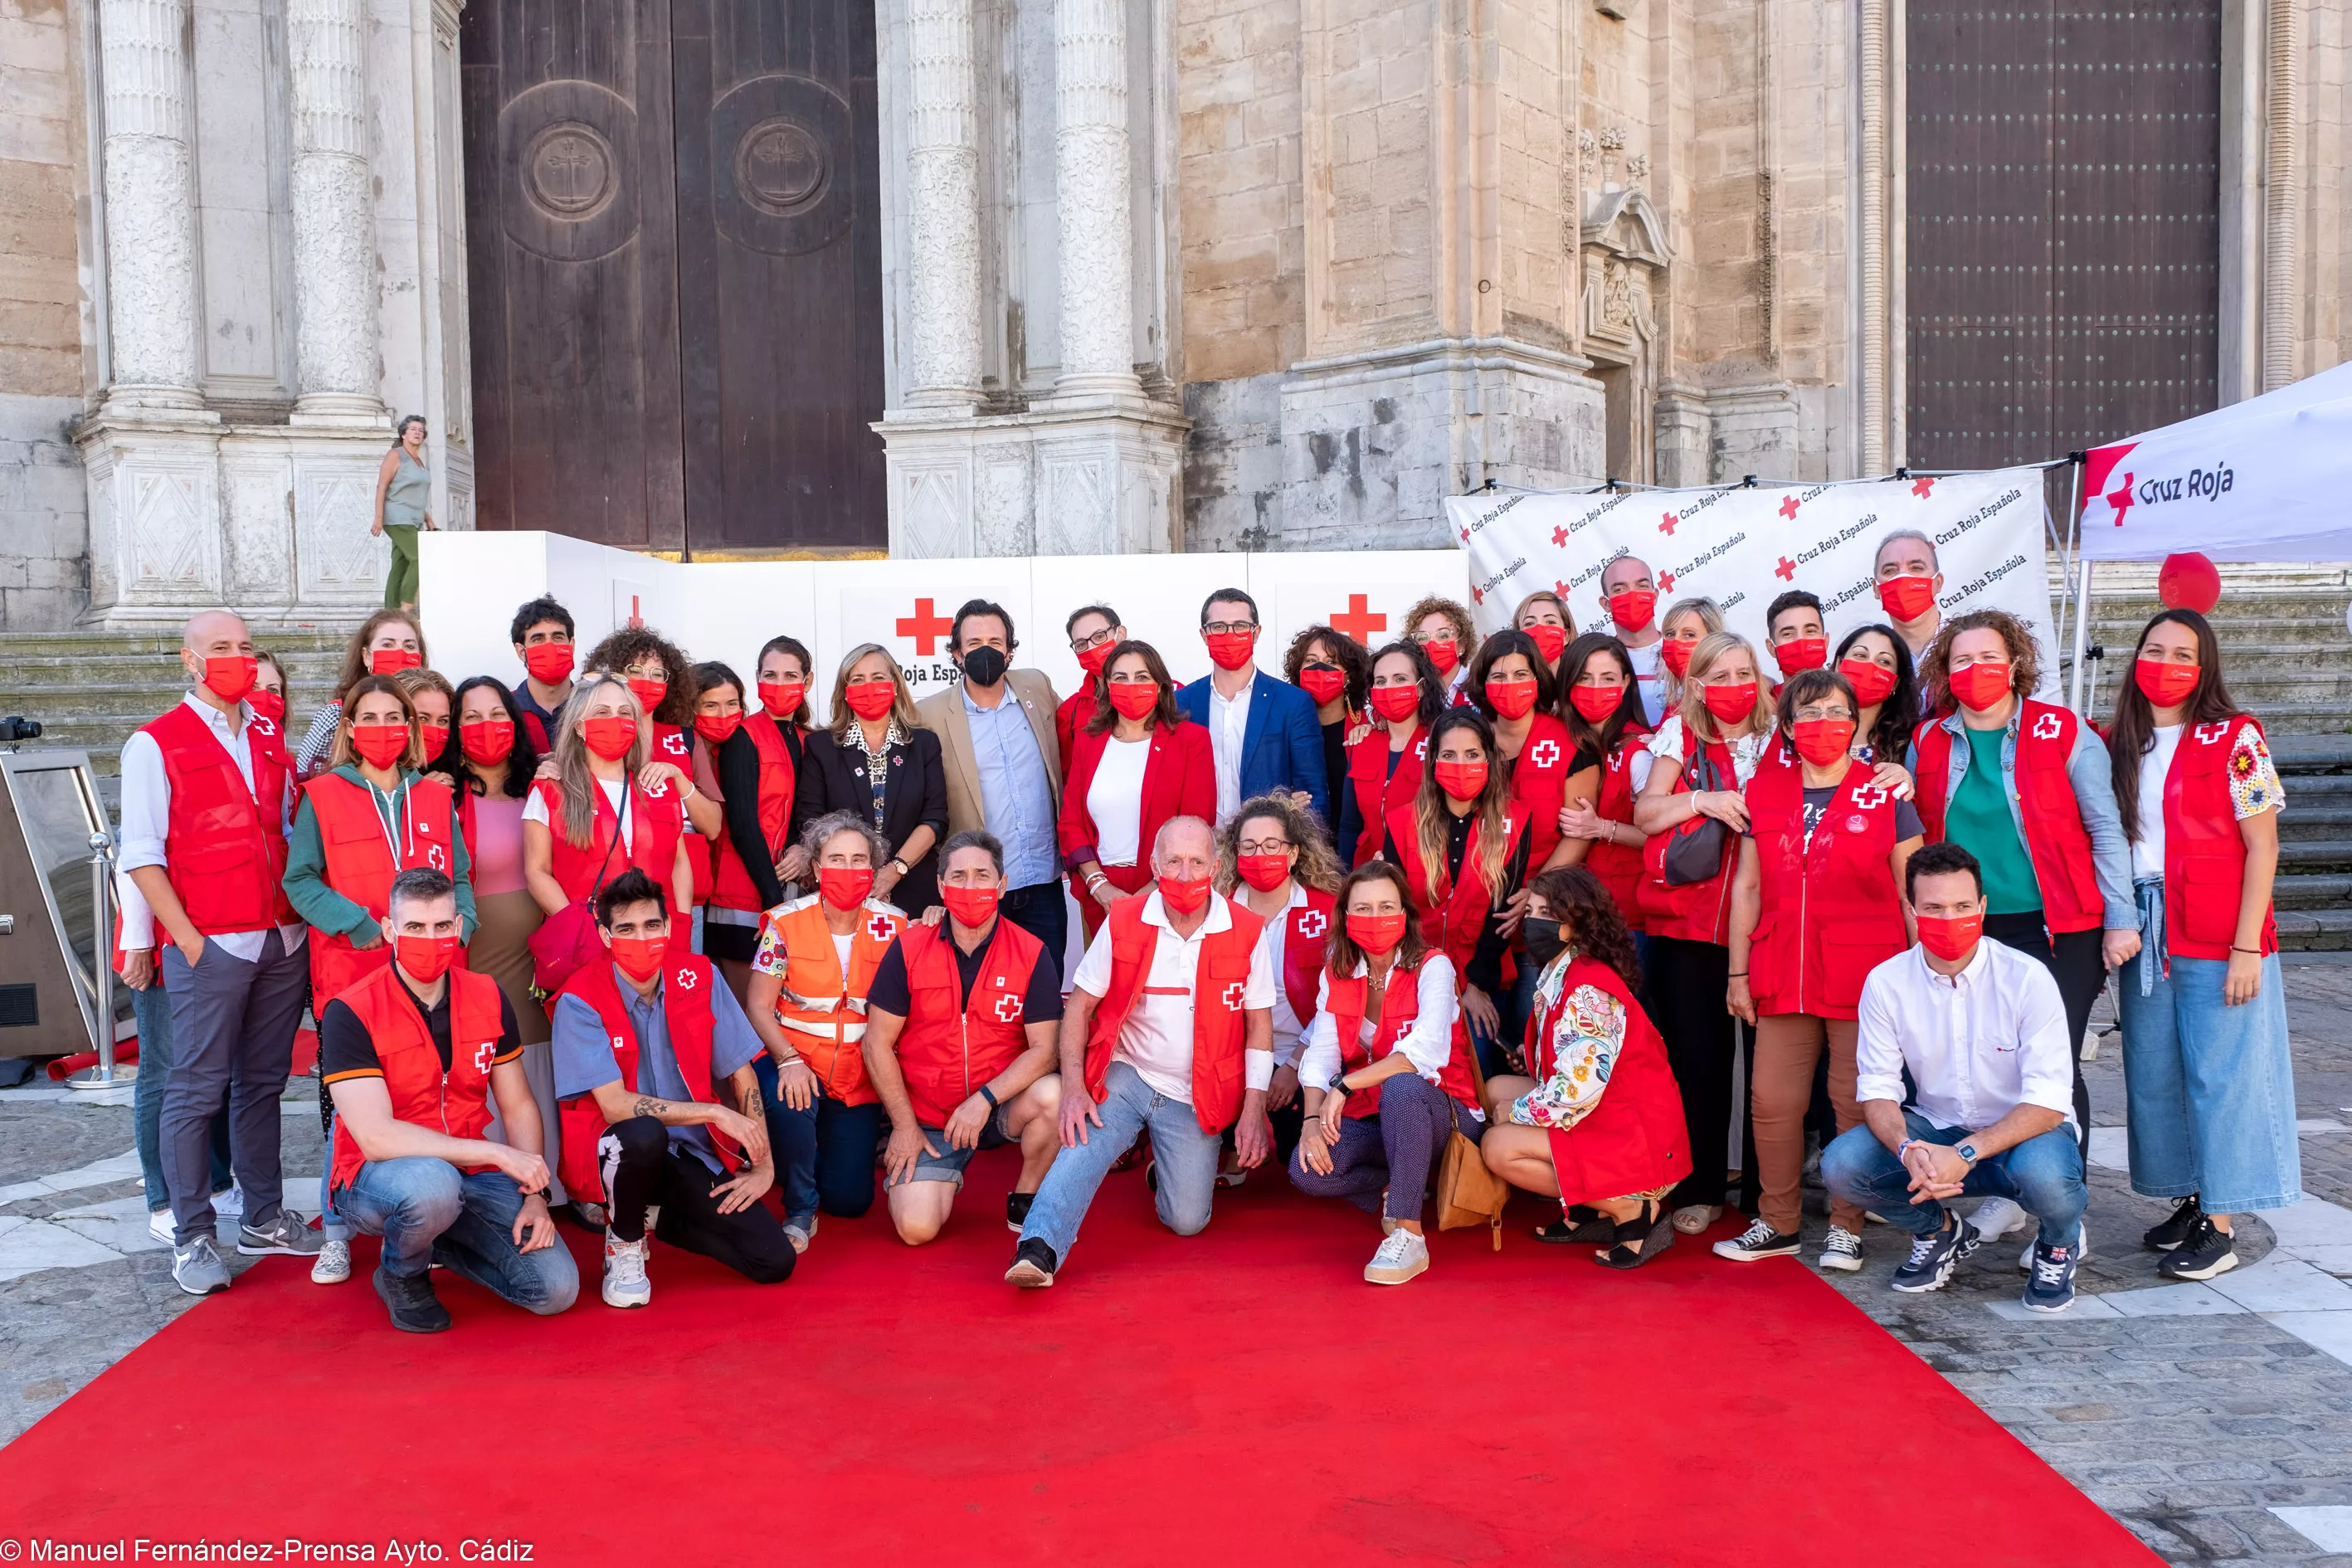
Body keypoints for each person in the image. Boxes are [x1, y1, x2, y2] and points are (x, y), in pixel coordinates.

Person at [120, 611, 321, 1295]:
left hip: (281, 936)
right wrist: (182, 938)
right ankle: (194, 1235)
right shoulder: (154, 743)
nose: (235, 659)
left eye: (244, 647)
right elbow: (142, 854)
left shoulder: (268, 737)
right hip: (212, 942)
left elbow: (290, 826)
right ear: (190, 660)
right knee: (196, 1087)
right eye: (221, 649)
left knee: (262, 1085)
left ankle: (263, 1217)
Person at [1913, 608, 2135, 1220]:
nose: (1975, 669)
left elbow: (2104, 829)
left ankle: (2064, 1212)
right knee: (1981, 1065)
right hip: (1964, 931)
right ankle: (2006, 1194)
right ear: (1944, 669)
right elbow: (1910, 834)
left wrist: (2121, 917)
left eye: (1988, 657)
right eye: (1961, 659)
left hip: (2055, 927)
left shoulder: (2063, 732)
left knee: (2050, 1066)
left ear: (2014, 663)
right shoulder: (1927, 739)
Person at [2109, 607, 2297, 1282]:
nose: (2166, 664)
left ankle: (2221, 1227)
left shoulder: (2235, 736)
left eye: (2182, 654)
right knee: (2156, 1074)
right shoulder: (2116, 742)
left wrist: (2247, 946)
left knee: (2221, 1076)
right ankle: (2191, 1198)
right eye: (2153, 650)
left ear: (2204, 665)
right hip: (2145, 926)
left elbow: (2263, 845)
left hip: (2218, 930)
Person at [1819, 843, 2089, 1312]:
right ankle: (1940, 1231)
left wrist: (1965, 1153)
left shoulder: (2027, 978)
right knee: (1842, 1166)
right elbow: (1879, 1089)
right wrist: (1908, 1150)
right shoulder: (1886, 982)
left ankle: (2060, 1243)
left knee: (2047, 1177)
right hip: (1936, 1124)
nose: (1950, 919)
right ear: (1912, 910)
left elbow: (2049, 1100)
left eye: (1963, 907)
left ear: (1983, 907)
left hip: (2027, 1132)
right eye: (1934, 908)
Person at [1006, 817, 1275, 1286]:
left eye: (1196, 862)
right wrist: (1073, 1088)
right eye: (1173, 861)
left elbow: (1258, 1027)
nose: (1186, 875)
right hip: (1128, 1074)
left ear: (1215, 866)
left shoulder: (1247, 930)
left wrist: (1253, 1108)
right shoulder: (1127, 918)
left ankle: (1165, 1168)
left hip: (1199, 1091)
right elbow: (1080, 1007)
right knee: (1082, 1140)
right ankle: (1039, 1246)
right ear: (1154, 864)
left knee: (1188, 1220)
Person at [1718, 666, 1923, 1269]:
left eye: (1836, 711)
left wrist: (1922, 976)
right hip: (1781, 968)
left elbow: (1912, 891)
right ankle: (1776, 1222)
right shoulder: (1765, 790)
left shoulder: (1884, 791)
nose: (1822, 724)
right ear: (1785, 726)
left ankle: (1846, 1225)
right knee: (1771, 1102)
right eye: (1807, 713)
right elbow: (1748, 887)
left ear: (1855, 719)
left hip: (1866, 977)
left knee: (1853, 1104)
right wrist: (1737, 974)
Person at [280, 672, 477, 1283]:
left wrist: (461, 929)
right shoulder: (323, 795)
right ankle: (336, 1229)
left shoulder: (434, 798)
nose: (383, 729)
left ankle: (437, 1221)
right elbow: (300, 880)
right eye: (370, 718)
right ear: (349, 729)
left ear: (412, 729)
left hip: (433, 975)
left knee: (430, 1092)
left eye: (395, 717)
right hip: (353, 973)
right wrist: (356, 923)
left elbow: (462, 880)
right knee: (350, 1106)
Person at [320, 869, 577, 1330]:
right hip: (375, 1177)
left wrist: (536, 1195)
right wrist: (496, 1152)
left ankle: (438, 1237)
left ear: (459, 928)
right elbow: (376, 1139)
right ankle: (402, 1274)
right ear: (389, 930)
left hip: (469, 1174)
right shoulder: (351, 1010)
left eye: (441, 926)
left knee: (553, 1290)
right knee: (431, 1186)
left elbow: (518, 1104)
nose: (429, 938)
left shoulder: (487, 995)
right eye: (415, 927)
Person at [553, 869, 791, 1304]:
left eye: (651, 925)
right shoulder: (579, 999)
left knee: (773, 1261)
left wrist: (763, 1166)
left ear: (667, 927)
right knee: (642, 1133)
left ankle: (654, 1218)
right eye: (626, 928)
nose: (642, 938)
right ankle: (623, 1242)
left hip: (688, 1152)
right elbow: (615, 1106)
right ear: (605, 936)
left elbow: (742, 1074)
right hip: (617, 1152)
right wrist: (715, 1112)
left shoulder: (699, 975)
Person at [1632, 629, 1775, 1234]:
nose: (1733, 686)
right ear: (1695, 684)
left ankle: (1770, 1193)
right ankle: (1703, 1186)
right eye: (1719, 676)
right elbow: (1644, 813)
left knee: (1768, 1068)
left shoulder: (1782, 736)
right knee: (1698, 1063)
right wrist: (1702, 800)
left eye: (1743, 673)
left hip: (1768, 922)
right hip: (1686, 927)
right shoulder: (1677, 735)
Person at [1480, 866, 1691, 1268]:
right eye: (1532, 911)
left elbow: (1575, 1093)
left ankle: (1630, 1208)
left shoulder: (1589, 987)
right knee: (1496, 1088)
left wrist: (1518, 1114)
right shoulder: (1567, 967)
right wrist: (1535, 1057)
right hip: (1611, 1114)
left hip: (1635, 1137)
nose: (1532, 922)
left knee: (1499, 1147)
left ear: (1575, 923)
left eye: (1546, 913)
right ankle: (1591, 1209)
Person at [864, 830, 1065, 1244]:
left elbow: (1046, 1051)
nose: (970, 887)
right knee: (915, 1229)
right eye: (958, 877)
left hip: (1000, 1104)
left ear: (1002, 884)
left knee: (1054, 1094)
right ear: (941, 886)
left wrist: (983, 1100)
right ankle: (944, 1170)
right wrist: (903, 1125)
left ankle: (1027, 1194)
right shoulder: (908, 947)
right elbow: (876, 1043)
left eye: (982, 875)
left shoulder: (1031, 952)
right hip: (931, 1116)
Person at [1292, 861, 1483, 1283]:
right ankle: (1404, 1178)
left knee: (1402, 1086)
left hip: (1446, 1113)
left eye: (1386, 907)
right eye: (1362, 908)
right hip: (1378, 1114)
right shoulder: (1338, 973)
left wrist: (1346, 1085)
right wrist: (1309, 1121)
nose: (1374, 919)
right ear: (1344, 916)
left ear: (1405, 915)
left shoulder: (1434, 966)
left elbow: (1424, 1055)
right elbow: (1322, 1055)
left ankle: (1407, 1230)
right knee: (1307, 1169)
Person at [743, 811, 910, 1244]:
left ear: (873, 869)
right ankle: (799, 1208)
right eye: (837, 859)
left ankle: (793, 1157)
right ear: (817, 869)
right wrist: (788, 1061)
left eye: (859, 860)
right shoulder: (783, 922)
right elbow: (758, 1006)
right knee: (791, 1103)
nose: (848, 870)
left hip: (858, 1077)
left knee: (850, 1201)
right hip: (795, 1063)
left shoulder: (896, 927)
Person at [446, 675, 563, 1215]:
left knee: (537, 1060)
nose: (485, 725)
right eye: (470, 716)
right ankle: (489, 1188)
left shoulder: (542, 786)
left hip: (540, 955)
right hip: (474, 955)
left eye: (496, 713)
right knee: (482, 1053)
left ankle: (550, 1183)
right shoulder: (440, 792)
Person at [916, 600, 1069, 966]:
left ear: (1010, 651)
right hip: (977, 888)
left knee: (1045, 991)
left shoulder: (1037, 688)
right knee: (985, 997)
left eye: (995, 642)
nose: (986, 650)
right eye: (974, 643)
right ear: (956, 653)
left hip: (1044, 880)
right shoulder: (930, 714)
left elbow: (1081, 732)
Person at [1382, 709, 1531, 1079]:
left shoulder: (1516, 820)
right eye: (1449, 755)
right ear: (1433, 761)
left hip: (1481, 973)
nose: (1460, 764)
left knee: (1474, 1064)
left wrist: (1472, 985)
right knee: (1414, 1074)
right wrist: (1442, 983)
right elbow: (1398, 912)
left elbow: (1504, 911)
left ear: (1489, 759)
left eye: (1472, 754)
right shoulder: (1402, 822)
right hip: (1414, 973)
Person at [522, 673, 695, 957]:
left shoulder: (658, 787)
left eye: (624, 713)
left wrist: (682, 921)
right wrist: (581, 928)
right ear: (579, 727)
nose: (615, 720)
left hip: (659, 940)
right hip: (587, 943)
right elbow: (537, 872)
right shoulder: (550, 790)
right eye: (602, 712)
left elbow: (679, 862)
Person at [1466, 628, 1577, 1052]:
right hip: (1476, 915)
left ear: (1538, 678)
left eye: (1520, 674)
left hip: (1542, 912)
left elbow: (1578, 833)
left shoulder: (1569, 739)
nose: (1509, 686)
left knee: (1535, 1040)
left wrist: (1535, 890)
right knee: (1482, 1045)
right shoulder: (1469, 738)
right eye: (1497, 676)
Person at [1059, 640, 1215, 941]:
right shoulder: (1088, 741)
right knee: (1106, 984)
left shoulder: (1190, 740)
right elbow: (1071, 822)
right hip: (1100, 894)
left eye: (1142, 677)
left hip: (1168, 890)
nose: (1131, 686)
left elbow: (1196, 824)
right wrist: (1100, 887)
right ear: (1106, 686)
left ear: (1159, 686)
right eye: (1121, 678)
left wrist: (1151, 892)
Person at [1220, 794, 1342, 1162]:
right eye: (1249, 847)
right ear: (1236, 853)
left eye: (1271, 846)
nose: (1260, 856)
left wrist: (1293, 1066)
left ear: (1292, 853)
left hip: (1303, 1057)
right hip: (1233, 1058)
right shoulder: (1217, 910)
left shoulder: (1327, 910)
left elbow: (1336, 1003)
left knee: (1302, 1165)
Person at [799, 643, 951, 916]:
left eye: (878, 678)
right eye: (857, 680)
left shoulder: (924, 744)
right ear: (844, 693)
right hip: (842, 894)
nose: (868, 686)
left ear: (894, 685)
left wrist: (895, 870)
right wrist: (857, 873)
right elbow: (812, 821)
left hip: (914, 887)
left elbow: (935, 818)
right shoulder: (821, 747)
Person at [586, 626, 725, 924]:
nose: (646, 682)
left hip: (682, 894)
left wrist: (680, 779)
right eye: (635, 670)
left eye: (657, 674)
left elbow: (713, 826)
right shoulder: (596, 739)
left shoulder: (686, 740)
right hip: (614, 895)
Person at [1175, 587, 1327, 827]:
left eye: (1240, 626)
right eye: (1219, 627)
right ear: (1205, 635)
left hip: (1265, 851)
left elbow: (1313, 798)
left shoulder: (1293, 703)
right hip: (1200, 850)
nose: (1230, 634)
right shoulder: (1181, 703)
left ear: (1256, 633)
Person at [690, 660, 795, 999]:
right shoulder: (679, 748)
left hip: (732, 888)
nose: (723, 714)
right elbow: (741, 826)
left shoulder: (736, 743)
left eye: (731, 704)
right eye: (711, 705)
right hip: (717, 895)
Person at [1552, 633, 1655, 942]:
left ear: (1625, 684)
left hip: (1625, 917)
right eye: (1585, 678)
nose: (1596, 689)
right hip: (1571, 909)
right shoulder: (1560, 741)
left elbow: (1662, 837)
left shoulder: (1639, 753)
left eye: (1607, 678)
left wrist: (1602, 828)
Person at [1337, 640, 1444, 867]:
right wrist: (1344, 882)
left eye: (1400, 679)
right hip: (1367, 876)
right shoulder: (1362, 742)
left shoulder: (1442, 743)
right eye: (1381, 681)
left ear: (1421, 687)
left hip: (1426, 875)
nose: (1390, 688)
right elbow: (1349, 825)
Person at [295, 609, 426, 776]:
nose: (400, 653)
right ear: (366, 656)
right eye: (388, 645)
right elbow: (307, 775)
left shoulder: (432, 712)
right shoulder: (337, 715)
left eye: (409, 646)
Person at [1283, 624, 1371, 825]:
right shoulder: (1283, 728)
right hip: (1305, 841)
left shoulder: (1368, 726)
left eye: (1331, 662)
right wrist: (1284, 800)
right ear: (1299, 672)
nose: (1320, 668)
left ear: (1349, 675)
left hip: (1356, 845)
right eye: (1311, 661)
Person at [371, 414, 433, 611]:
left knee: (401, 564)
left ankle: (390, 611)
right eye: (413, 429)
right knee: (420, 556)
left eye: (421, 430)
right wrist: (379, 519)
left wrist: (429, 519)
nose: (417, 433)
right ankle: (406, 606)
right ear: (403, 434)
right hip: (396, 518)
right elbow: (382, 486)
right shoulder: (396, 455)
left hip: (413, 520)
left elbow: (413, 495)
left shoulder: (419, 461)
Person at [1598, 556, 1669, 723]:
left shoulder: (1683, 653)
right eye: (1620, 589)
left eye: (1642, 586)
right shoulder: (1597, 662)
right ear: (1606, 604)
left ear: (1654, 596)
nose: (1633, 595)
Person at [1834, 623, 1919, 764]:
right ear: (1839, 664)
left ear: (1895, 683)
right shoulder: (1807, 725)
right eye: (1860, 655)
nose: (1870, 666)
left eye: (1884, 661)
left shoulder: (1911, 744)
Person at [1058, 603, 1126, 771]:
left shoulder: (1168, 692)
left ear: (1121, 634)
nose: (1092, 648)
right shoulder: (1069, 712)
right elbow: (1069, 774)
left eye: (1099, 636)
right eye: (1081, 644)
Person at [509, 596, 577, 752]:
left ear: (571, 646)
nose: (549, 646)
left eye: (558, 637)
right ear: (521, 652)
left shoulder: (592, 707)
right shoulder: (504, 711)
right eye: (538, 639)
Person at [1873, 528, 1945, 664]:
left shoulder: (1970, 644)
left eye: (1916, 568)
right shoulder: (1872, 659)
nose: (1903, 578)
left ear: (1938, 583)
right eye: (1890, 571)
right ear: (1876, 589)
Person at [1653, 596, 1724, 718]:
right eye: (1670, 634)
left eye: (1689, 634)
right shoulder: (1674, 708)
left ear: (1713, 639)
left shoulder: (1730, 698)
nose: (1676, 642)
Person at [1405, 594, 1476, 703]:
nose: (1432, 644)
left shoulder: (1479, 692)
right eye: (1423, 637)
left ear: (1462, 644)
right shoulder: (1409, 695)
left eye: (1443, 636)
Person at [1763, 589, 1828, 689]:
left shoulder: (1849, 695)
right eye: (1788, 634)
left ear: (1825, 642)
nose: (1800, 640)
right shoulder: (1767, 702)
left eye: (1810, 631)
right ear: (1771, 648)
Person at [1511, 590, 1574, 683]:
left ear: (1566, 636)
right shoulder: (1512, 685)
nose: (1539, 628)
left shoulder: (1578, 685)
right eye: (1529, 623)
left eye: (1550, 622)